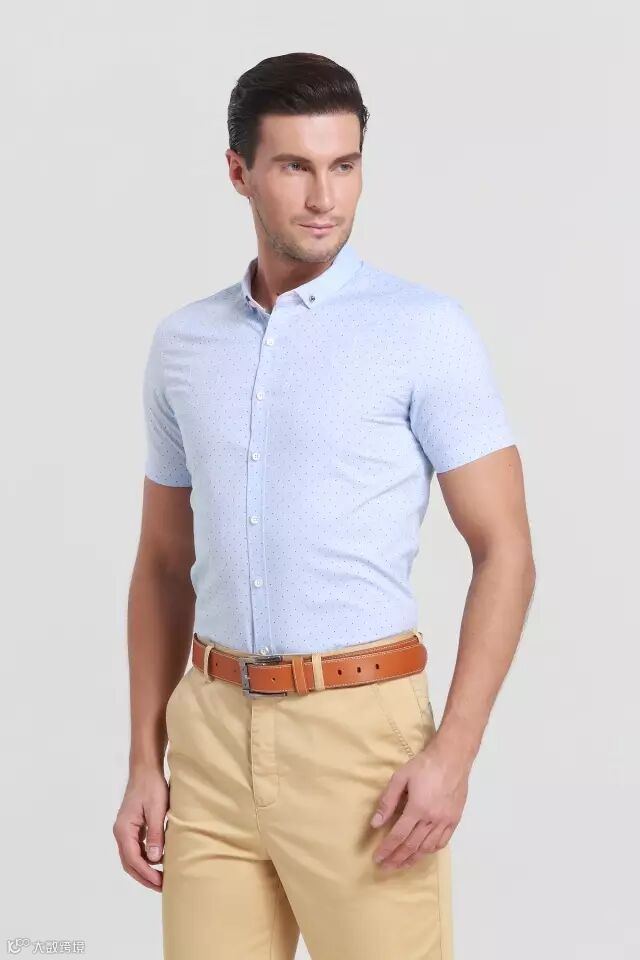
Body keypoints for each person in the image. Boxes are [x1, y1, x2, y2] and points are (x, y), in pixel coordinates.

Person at [113, 51, 536, 960]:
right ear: (239, 172)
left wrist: (453, 754)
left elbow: (505, 549)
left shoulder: (423, 331)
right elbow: (162, 562)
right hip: (210, 736)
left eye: (344, 166)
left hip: (362, 741)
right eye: (295, 166)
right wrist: (146, 759)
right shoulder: (184, 343)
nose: (324, 197)